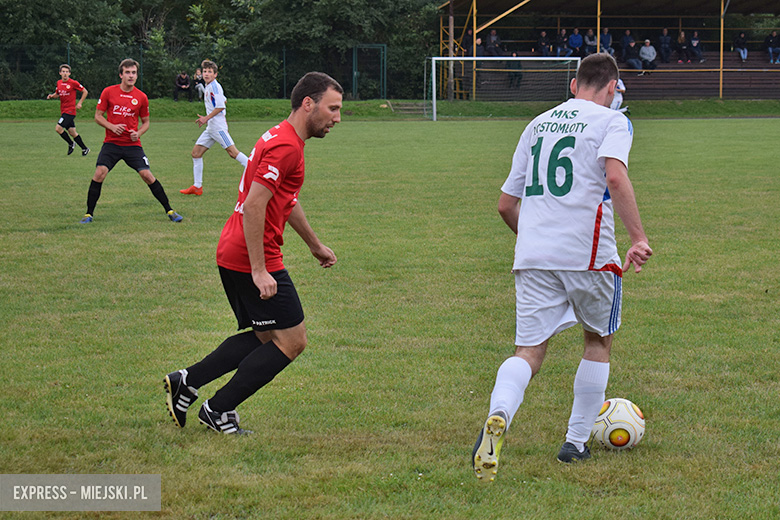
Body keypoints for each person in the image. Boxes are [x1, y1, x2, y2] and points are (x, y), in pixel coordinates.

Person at [472, 53, 651, 481]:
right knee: (598, 341)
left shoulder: (537, 124)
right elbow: (615, 176)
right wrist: (639, 238)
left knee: (528, 352)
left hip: (532, 257)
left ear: (574, 85)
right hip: (588, 255)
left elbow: (505, 204)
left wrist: (535, 241)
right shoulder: (613, 121)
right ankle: (574, 443)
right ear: (612, 88)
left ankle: (499, 414)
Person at [163, 72, 343, 435]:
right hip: (251, 254)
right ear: (308, 104)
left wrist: (314, 245)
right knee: (292, 341)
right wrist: (260, 270)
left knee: (266, 337)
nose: (337, 117)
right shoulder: (286, 146)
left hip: (237, 248)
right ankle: (218, 409)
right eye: (333, 108)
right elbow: (256, 203)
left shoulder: (282, 136)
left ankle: (188, 381)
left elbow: (285, 200)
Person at [79, 59, 182, 224]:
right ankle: (88, 214)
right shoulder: (108, 92)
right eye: (127, 72)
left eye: (134, 72)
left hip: (132, 145)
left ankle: (170, 210)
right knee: (99, 173)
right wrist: (112, 127)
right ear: (121, 74)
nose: (131, 76)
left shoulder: (141, 97)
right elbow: (98, 116)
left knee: (147, 175)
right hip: (111, 144)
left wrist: (138, 133)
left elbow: (146, 122)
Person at [180, 60, 249, 196]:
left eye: (209, 72)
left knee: (233, 153)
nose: (206, 74)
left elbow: (220, 106)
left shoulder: (215, 87)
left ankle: (256, 170)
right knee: (196, 153)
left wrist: (206, 118)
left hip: (218, 127)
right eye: (204, 71)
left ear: (215, 74)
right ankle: (197, 187)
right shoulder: (209, 86)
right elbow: (223, 100)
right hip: (211, 128)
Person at [47, 64, 90, 156]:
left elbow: (85, 91)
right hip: (63, 110)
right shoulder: (59, 83)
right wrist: (52, 96)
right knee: (72, 132)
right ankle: (85, 148)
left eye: (67, 72)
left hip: (70, 111)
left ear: (69, 73)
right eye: (63, 72)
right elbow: (57, 93)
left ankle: (71, 143)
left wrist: (80, 103)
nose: (65, 73)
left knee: (58, 128)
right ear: (60, 73)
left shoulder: (73, 83)